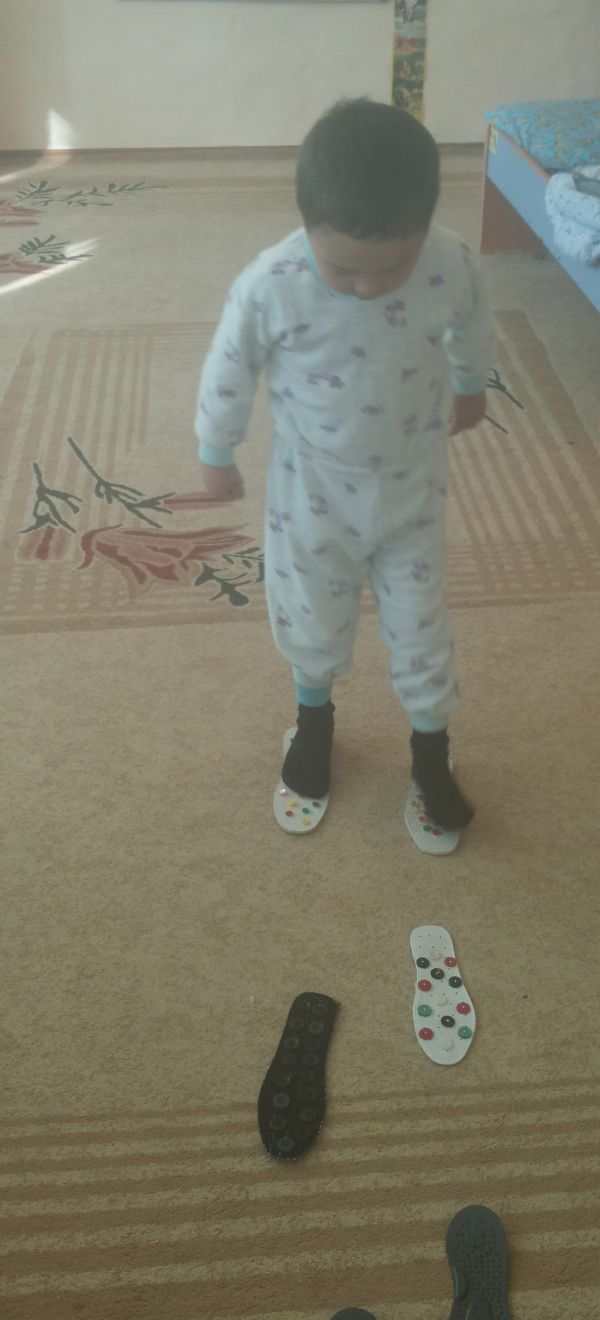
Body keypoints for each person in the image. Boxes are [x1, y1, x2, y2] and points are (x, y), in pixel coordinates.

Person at [196, 98, 494, 830]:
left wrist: (470, 383)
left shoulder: (449, 261)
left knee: (422, 629)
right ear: (307, 227)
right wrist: (216, 446)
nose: (367, 286)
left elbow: (472, 319)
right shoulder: (273, 281)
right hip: (312, 493)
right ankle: (314, 722)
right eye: (343, 269)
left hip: (412, 490)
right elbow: (230, 363)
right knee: (311, 616)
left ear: (425, 227)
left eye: (392, 267)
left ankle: (431, 753)